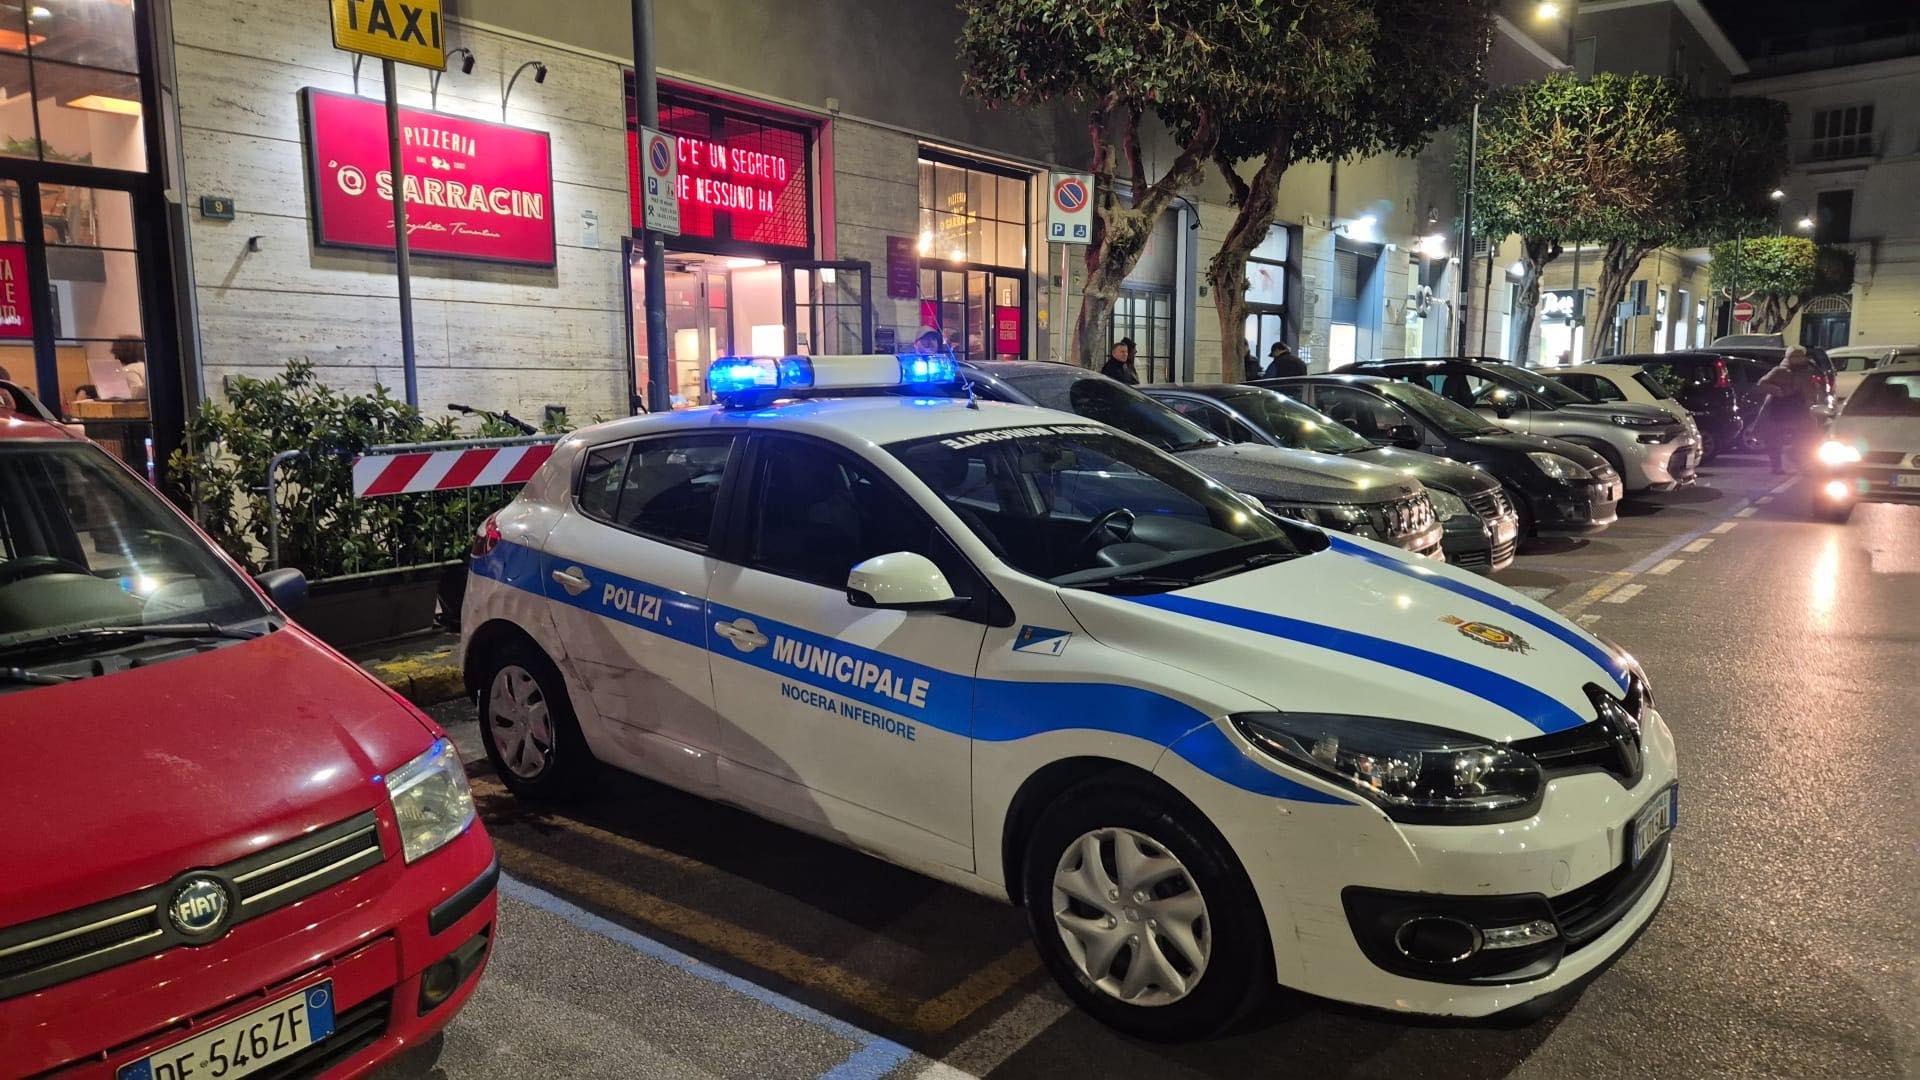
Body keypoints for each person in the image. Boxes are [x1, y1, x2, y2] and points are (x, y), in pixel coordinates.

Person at [1755, 346, 1820, 474]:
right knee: (1774, 439)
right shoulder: (1779, 371)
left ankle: (1798, 461)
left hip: (1799, 409)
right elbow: (1762, 384)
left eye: (1801, 356)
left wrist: (1812, 399)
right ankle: (1777, 466)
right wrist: (1779, 391)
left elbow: (1810, 390)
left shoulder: (1806, 372)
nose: (1799, 359)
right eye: (1796, 356)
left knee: (1804, 437)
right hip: (1778, 409)